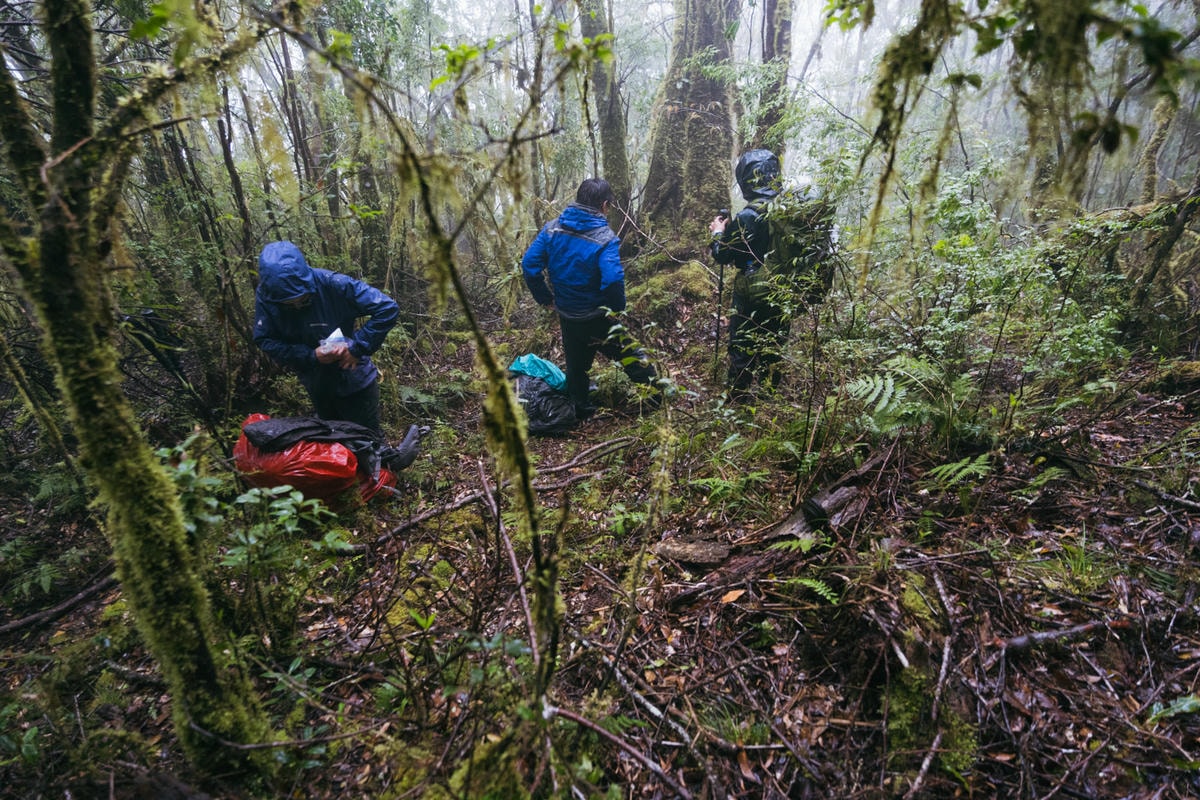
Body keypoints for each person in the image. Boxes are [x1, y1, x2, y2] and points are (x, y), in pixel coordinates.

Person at [522, 178, 659, 421]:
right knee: (629, 354)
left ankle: (581, 408)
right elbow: (613, 279)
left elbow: (530, 265)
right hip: (598, 316)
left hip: (568, 315)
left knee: (576, 366)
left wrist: (546, 299)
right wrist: (616, 309)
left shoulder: (552, 229)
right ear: (604, 205)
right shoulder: (604, 237)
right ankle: (658, 396)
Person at [253, 240, 399, 433]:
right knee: (334, 444)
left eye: (303, 300)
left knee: (368, 441)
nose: (296, 306)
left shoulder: (333, 284)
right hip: (318, 385)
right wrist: (310, 356)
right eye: (288, 304)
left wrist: (357, 348)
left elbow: (386, 308)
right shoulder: (267, 296)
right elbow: (265, 339)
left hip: (354, 378)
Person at [709, 148, 788, 401]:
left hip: (750, 291)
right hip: (782, 289)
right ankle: (769, 399)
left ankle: (738, 398)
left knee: (742, 342)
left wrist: (718, 232)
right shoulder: (787, 210)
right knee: (773, 344)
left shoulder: (747, 216)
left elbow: (722, 254)